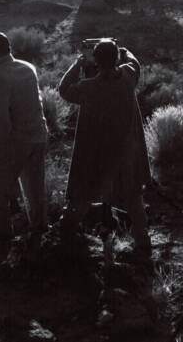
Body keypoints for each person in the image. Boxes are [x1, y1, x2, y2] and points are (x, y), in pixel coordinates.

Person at [57, 40, 151, 255]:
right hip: (126, 151)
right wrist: (125, 51)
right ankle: (143, 243)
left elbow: (63, 90)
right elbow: (135, 63)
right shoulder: (128, 77)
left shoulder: (89, 88)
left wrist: (78, 64)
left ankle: (66, 231)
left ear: (96, 61)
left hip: (96, 153)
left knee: (84, 193)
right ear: (116, 58)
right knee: (133, 196)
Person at [0, 31, 48, 241]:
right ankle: (40, 234)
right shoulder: (27, 67)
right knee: (35, 188)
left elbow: (2, 121)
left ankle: (0, 236)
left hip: (17, 140)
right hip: (38, 134)